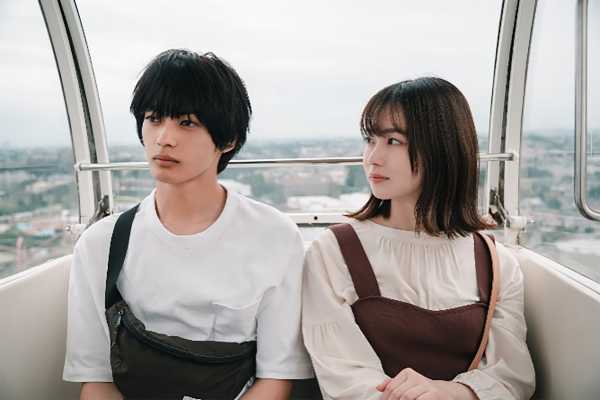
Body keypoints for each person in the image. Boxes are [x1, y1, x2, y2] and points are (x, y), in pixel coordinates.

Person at [63, 49, 313, 400]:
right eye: (153, 118)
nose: (164, 138)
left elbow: (276, 378)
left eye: (187, 122)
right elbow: (96, 381)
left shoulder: (274, 236)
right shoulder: (102, 243)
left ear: (228, 140)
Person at [302, 77, 535, 400]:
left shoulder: (495, 262)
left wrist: (444, 392)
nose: (373, 157)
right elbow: (344, 377)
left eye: (393, 141)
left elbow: (511, 378)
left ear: (441, 147)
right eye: (370, 140)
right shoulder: (333, 251)